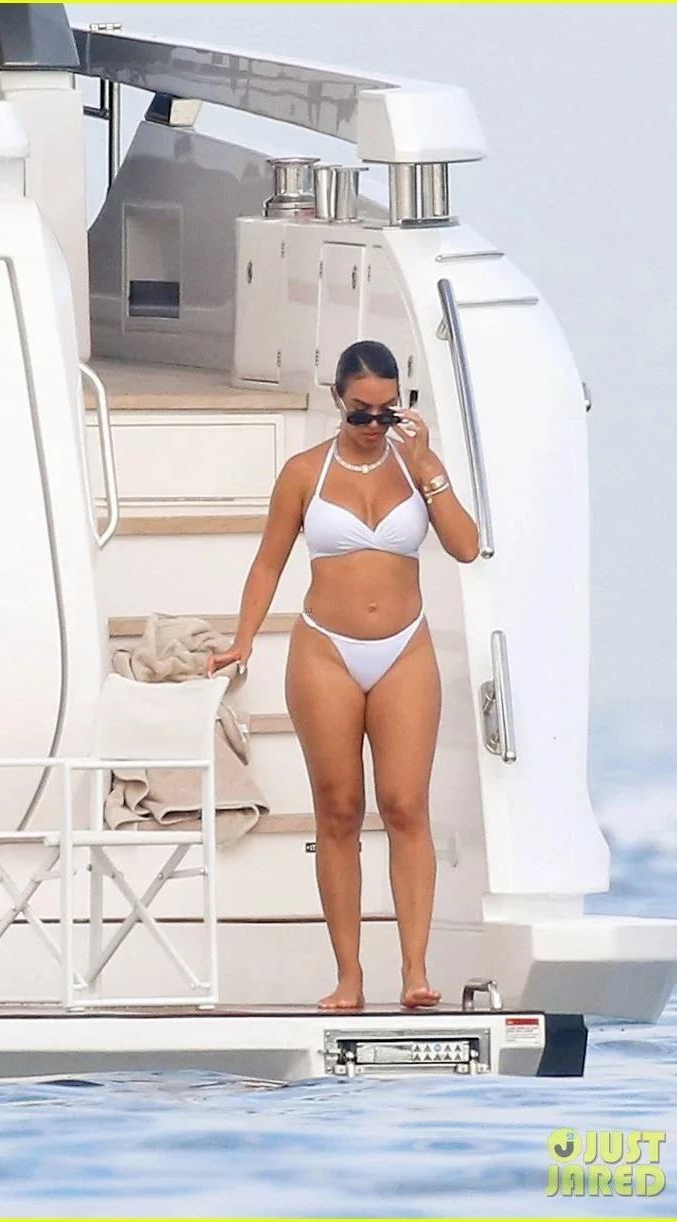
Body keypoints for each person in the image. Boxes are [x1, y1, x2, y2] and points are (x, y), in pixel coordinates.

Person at [207, 340, 480, 1010]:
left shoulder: (417, 465)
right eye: (361, 411)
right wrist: (243, 638)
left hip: (404, 649)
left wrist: (427, 469)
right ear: (337, 399)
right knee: (337, 810)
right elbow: (269, 560)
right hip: (325, 649)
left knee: (405, 805)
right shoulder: (305, 471)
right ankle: (349, 977)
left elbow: (466, 546)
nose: (373, 424)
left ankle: (414, 972)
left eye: (387, 412)